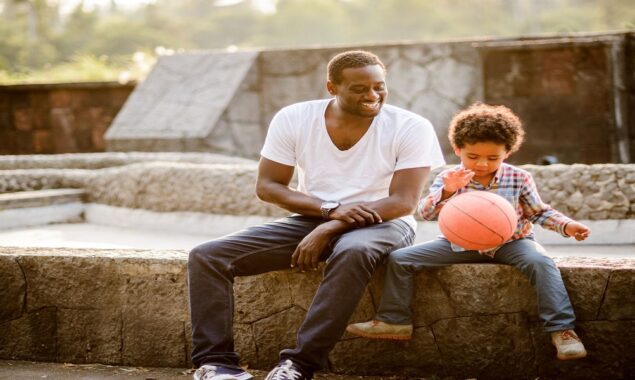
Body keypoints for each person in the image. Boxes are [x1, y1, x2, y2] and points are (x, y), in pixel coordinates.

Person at [188, 50, 445, 380]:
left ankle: (299, 364)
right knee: (208, 256)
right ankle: (216, 363)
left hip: (385, 222)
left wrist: (330, 228)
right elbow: (268, 186)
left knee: (354, 250)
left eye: (379, 86)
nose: (372, 95)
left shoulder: (411, 126)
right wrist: (330, 212)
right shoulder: (294, 118)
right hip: (314, 218)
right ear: (331, 88)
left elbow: (403, 201)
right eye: (359, 88)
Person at [346, 103, 590, 361]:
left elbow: (537, 212)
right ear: (458, 150)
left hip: (512, 243)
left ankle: (562, 331)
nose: (483, 163)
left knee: (541, 262)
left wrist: (567, 225)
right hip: (459, 245)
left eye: (493, 158)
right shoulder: (449, 178)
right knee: (401, 259)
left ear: (507, 152)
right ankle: (394, 320)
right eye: (473, 156)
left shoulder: (519, 178)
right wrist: (448, 191)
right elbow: (426, 212)